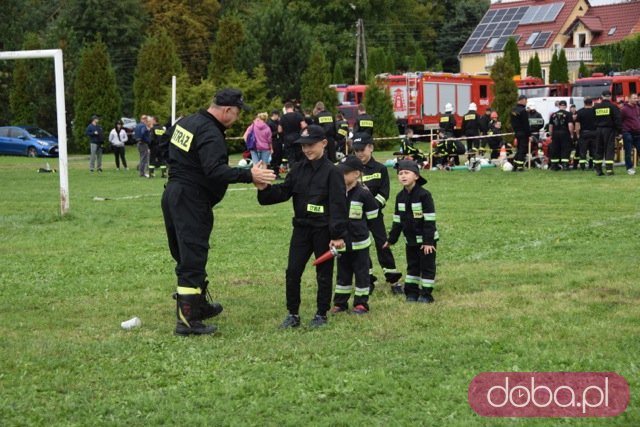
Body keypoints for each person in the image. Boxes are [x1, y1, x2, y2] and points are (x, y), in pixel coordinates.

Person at [161, 88, 276, 336]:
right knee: (192, 256)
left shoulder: (188, 122)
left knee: (186, 253)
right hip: (190, 198)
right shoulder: (211, 133)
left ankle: (198, 306)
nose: (236, 119)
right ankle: (187, 321)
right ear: (226, 111)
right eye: (236, 113)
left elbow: (164, 145)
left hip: (173, 193)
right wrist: (250, 174)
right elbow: (215, 170)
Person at [257, 125, 348, 329]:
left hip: (323, 230)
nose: (307, 150)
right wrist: (263, 188)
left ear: (324, 143)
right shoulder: (298, 168)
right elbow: (283, 192)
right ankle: (293, 314)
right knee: (293, 271)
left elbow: (338, 205)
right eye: (304, 146)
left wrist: (337, 234)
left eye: (311, 145)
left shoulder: (333, 172)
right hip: (301, 229)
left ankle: (321, 314)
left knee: (323, 274)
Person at [331, 155, 385, 314]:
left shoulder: (364, 194)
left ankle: (361, 303)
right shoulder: (335, 193)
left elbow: (373, 217)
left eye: (345, 173)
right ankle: (340, 303)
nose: (341, 176)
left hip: (360, 243)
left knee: (361, 274)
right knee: (343, 274)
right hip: (342, 243)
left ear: (356, 174)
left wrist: (364, 231)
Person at [352, 132, 403, 294]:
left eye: (362, 149)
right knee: (361, 247)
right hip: (356, 217)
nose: (359, 153)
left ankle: (393, 279)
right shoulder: (350, 169)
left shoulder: (380, 169)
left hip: (375, 215)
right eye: (356, 150)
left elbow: (384, 193)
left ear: (371, 148)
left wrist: (371, 207)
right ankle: (367, 280)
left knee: (383, 244)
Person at [384, 160, 438, 303]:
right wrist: (391, 240)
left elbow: (430, 220)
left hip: (427, 242)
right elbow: (397, 221)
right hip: (411, 241)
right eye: (400, 173)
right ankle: (412, 293)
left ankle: (426, 294)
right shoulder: (400, 197)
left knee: (427, 267)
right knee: (412, 267)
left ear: (416, 176)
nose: (403, 176)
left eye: (406, 173)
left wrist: (428, 242)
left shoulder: (424, 195)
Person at [594, 90, 622, 176]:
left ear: (602, 96)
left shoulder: (596, 107)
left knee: (598, 149)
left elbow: (593, 119)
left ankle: (598, 170)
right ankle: (609, 170)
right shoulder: (613, 107)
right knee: (609, 149)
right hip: (609, 130)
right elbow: (618, 120)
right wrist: (619, 131)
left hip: (598, 130)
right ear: (610, 97)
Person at [278, 102, 307, 166]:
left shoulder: (283, 117)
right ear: (292, 107)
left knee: (291, 157)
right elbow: (304, 126)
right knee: (299, 156)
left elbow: (279, 130)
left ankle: (293, 171)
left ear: (285, 108)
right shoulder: (298, 115)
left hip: (287, 139)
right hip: (298, 138)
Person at [548, 100, 574, 171]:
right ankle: (565, 165)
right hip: (565, 133)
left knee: (555, 149)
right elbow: (570, 125)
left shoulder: (553, 115)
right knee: (565, 149)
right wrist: (571, 134)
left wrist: (551, 134)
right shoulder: (568, 114)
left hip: (555, 133)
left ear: (559, 106)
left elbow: (550, 126)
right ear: (565, 106)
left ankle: (554, 165)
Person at [575, 98, 597, 170]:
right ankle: (594, 165)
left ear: (584, 103)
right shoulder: (596, 111)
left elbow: (577, 124)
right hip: (594, 133)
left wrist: (578, 134)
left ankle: (582, 167)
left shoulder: (580, 112)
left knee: (583, 151)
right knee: (594, 150)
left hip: (584, 133)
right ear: (592, 103)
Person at [621, 93, 640, 175]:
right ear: (629, 99)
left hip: (637, 132)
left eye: (637, 98)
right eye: (634, 98)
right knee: (628, 151)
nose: (636, 100)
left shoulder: (638, 108)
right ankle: (629, 168)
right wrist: (621, 132)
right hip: (627, 132)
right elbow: (620, 121)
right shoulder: (624, 109)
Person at [511, 95, 530, 172]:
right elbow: (526, 124)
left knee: (519, 149)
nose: (526, 102)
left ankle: (515, 165)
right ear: (521, 100)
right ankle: (520, 167)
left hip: (517, 132)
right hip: (523, 133)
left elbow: (512, 122)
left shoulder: (513, 110)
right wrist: (529, 134)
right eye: (526, 101)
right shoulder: (523, 111)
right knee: (522, 149)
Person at [267, 109, 283, 179]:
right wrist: (277, 132)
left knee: (279, 157)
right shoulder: (269, 123)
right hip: (273, 142)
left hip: (278, 141)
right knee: (274, 157)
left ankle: (277, 173)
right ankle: (273, 173)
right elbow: (268, 134)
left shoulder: (278, 122)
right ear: (274, 115)